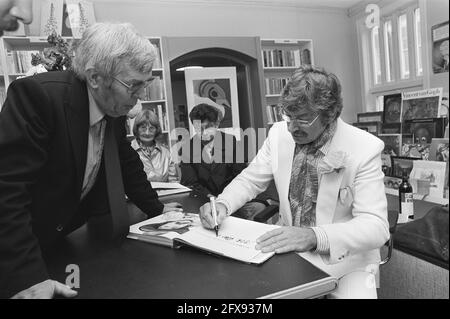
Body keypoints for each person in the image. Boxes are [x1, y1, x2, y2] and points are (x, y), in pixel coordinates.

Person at [0, 22, 182, 299]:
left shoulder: (112, 109)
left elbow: (127, 164)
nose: (142, 96)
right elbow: (7, 191)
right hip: (17, 252)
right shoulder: (38, 97)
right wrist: (29, 277)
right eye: (133, 85)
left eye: (146, 84)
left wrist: (160, 213)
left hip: (60, 242)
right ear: (95, 77)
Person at [199, 65, 390, 298]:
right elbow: (251, 179)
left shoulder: (365, 148)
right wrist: (223, 204)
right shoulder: (278, 134)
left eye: (302, 119)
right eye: (288, 116)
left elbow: (376, 227)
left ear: (330, 114)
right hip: (290, 252)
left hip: (349, 260)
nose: (291, 127)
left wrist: (313, 236)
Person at [179, 103, 270, 220]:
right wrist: (211, 198)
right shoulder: (187, 149)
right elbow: (190, 183)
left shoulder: (231, 142)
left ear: (216, 124)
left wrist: (225, 199)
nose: (204, 132)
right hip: (204, 201)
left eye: (208, 127)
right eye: (199, 128)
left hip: (233, 198)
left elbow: (240, 175)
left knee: (257, 208)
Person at [131, 109, 179, 182]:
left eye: (151, 128)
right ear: (137, 129)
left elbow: (174, 181)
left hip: (165, 193)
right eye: (143, 128)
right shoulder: (128, 151)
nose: (147, 133)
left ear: (157, 130)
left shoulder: (166, 153)